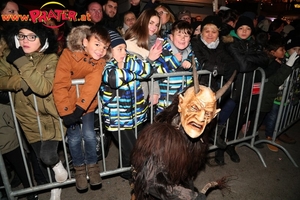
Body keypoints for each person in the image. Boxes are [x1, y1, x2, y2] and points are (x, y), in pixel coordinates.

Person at [130, 65, 235, 199]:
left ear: (214, 115)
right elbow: (151, 181)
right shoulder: (161, 137)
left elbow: (183, 171)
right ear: (181, 103)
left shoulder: (199, 135)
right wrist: (190, 196)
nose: (201, 118)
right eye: (194, 108)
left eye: (208, 113)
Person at [0, 21, 68, 200]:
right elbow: (1, 79)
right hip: (26, 118)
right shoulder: (9, 56)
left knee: (48, 156)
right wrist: (21, 83)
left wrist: (21, 62)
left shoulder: (50, 58)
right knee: (41, 160)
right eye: (22, 36)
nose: (25, 40)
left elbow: (43, 87)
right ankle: (56, 187)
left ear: (42, 40)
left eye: (32, 36)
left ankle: (59, 171)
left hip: (49, 117)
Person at [52, 25, 110, 190]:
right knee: (75, 138)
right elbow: (60, 83)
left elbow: (92, 84)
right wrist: (65, 112)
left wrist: (80, 109)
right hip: (68, 107)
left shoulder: (99, 62)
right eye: (97, 44)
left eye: (105, 47)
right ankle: (79, 170)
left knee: (90, 135)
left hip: (87, 107)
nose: (101, 50)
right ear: (85, 41)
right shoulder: (68, 55)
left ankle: (93, 167)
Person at [214, 16, 269, 165]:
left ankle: (230, 146)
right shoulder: (230, 43)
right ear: (236, 29)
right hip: (232, 89)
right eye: (241, 28)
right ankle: (219, 150)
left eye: (248, 28)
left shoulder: (253, 43)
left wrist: (248, 57)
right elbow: (243, 66)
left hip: (246, 89)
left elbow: (265, 59)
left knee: (237, 121)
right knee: (224, 121)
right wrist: (252, 59)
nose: (244, 31)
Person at [100, 30, 152, 180]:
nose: (124, 52)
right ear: (109, 50)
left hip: (136, 115)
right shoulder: (105, 65)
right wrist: (134, 72)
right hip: (118, 119)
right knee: (133, 149)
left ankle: (124, 171)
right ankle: (144, 178)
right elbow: (113, 79)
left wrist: (126, 66)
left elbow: (148, 70)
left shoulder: (129, 60)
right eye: (119, 49)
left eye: (124, 48)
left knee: (127, 149)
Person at [191, 15, 239, 149]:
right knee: (196, 118)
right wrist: (218, 68)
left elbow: (233, 65)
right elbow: (203, 63)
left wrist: (217, 69)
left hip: (212, 87)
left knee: (218, 110)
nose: (210, 35)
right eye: (207, 31)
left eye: (214, 31)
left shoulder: (220, 46)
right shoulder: (196, 43)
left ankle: (211, 135)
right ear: (201, 32)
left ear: (218, 33)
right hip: (197, 87)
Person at [247, 35, 297, 151]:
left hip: (267, 96)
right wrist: (288, 66)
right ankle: (250, 137)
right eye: (281, 50)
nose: (284, 52)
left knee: (259, 118)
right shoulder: (272, 64)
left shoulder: (277, 61)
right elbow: (277, 80)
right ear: (273, 52)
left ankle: (252, 135)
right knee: (258, 118)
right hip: (265, 96)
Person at [154, 20, 200, 113]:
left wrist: (191, 65)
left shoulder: (191, 52)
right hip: (166, 101)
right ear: (171, 37)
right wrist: (173, 62)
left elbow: (197, 65)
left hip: (184, 101)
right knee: (163, 125)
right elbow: (156, 70)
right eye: (179, 35)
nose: (183, 39)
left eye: (186, 36)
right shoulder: (162, 51)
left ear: (190, 38)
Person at [124, 8, 162, 107]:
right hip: (131, 98)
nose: (154, 27)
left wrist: (155, 91)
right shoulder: (130, 44)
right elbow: (135, 70)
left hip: (144, 98)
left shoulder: (154, 43)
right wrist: (150, 59)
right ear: (143, 22)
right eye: (151, 23)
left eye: (157, 25)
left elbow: (155, 70)